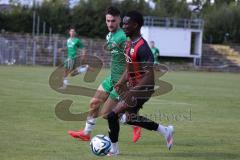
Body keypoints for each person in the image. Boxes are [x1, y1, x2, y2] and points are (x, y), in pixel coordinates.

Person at [68, 6, 142, 143]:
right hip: (111, 77)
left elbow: (134, 57)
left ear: (119, 20)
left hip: (122, 81)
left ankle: (136, 123)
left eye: (113, 21)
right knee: (94, 103)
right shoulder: (109, 35)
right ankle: (86, 133)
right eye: (107, 21)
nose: (110, 24)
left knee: (108, 114)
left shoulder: (125, 36)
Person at [106, 10, 174, 156]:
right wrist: (120, 82)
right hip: (134, 88)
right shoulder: (129, 43)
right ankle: (165, 130)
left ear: (136, 25)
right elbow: (129, 68)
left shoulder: (143, 48)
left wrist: (132, 91)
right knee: (129, 119)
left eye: (126, 24)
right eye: (122, 23)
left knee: (112, 115)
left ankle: (114, 150)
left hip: (143, 89)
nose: (123, 26)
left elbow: (149, 76)